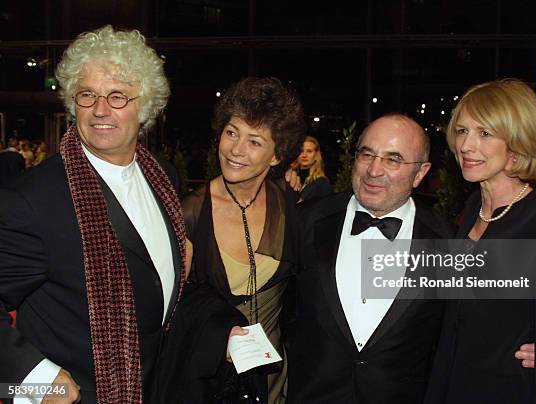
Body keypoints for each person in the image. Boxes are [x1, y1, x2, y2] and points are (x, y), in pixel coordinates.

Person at [0, 25, 241, 404]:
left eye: (117, 97)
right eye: (87, 95)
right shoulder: (31, 200)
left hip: (156, 389)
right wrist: (34, 379)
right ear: (71, 102)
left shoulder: (163, 176)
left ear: (144, 106)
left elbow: (155, 293)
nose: (100, 110)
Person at [425, 79, 536, 403]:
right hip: (451, 385)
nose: (466, 146)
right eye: (462, 131)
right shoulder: (471, 209)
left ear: (517, 142)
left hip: (508, 390)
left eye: (484, 133)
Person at [287, 114, 454, 403]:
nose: (374, 170)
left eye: (393, 160)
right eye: (367, 155)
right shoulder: (305, 221)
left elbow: (469, 328)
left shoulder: (447, 241)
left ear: (420, 173)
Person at [180, 77, 305, 403]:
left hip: (275, 378)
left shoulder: (287, 202)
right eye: (232, 132)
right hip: (213, 380)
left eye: (254, 141)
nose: (236, 150)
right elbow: (172, 307)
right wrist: (216, 337)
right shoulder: (190, 213)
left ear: (277, 156)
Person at [292, 135, 332, 202]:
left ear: (316, 155)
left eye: (309, 151)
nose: (304, 155)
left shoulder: (321, 183)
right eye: (301, 151)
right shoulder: (290, 177)